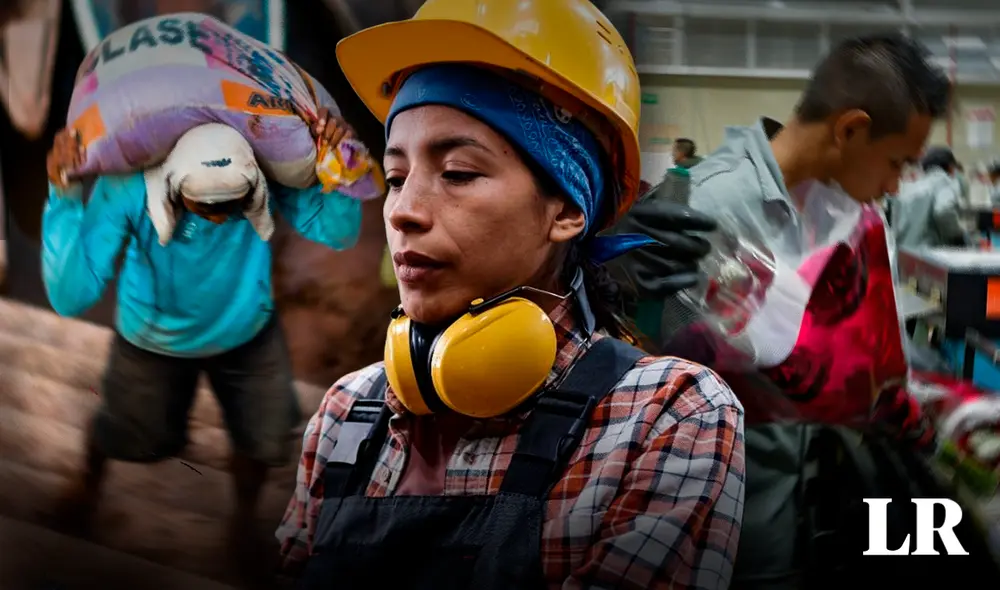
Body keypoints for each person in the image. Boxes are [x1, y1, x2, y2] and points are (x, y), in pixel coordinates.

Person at [275, 1, 745, 589]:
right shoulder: (347, 412)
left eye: (458, 173)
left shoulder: (667, 415)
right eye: (396, 178)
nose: (405, 212)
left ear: (568, 208)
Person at [639, 33, 960, 589]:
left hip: (812, 517)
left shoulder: (850, 220)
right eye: (895, 163)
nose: (895, 184)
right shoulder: (705, 213)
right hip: (730, 540)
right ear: (851, 129)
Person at [42, 108, 368, 552]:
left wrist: (341, 166)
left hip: (247, 328)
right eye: (205, 206)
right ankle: (86, 485)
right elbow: (70, 293)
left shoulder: (268, 175)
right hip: (152, 340)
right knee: (128, 431)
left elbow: (338, 231)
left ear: (253, 183)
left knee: (264, 438)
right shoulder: (127, 188)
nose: (218, 218)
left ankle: (244, 522)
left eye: (233, 206)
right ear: (171, 185)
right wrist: (63, 194)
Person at [893, 146, 971, 248]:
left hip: (904, 254)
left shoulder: (910, 187)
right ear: (951, 168)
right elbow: (943, 211)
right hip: (929, 254)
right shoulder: (944, 182)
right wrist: (958, 235)